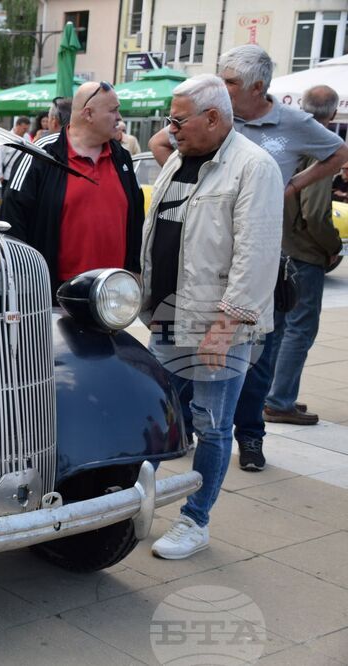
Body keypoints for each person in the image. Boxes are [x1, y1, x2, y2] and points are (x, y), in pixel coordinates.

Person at [147, 44, 348, 471]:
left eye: (231, 82)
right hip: (185, 288)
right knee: (171, 395)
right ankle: (178, 443)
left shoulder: (280, 135)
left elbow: (337, 154)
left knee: (251, 372)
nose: (223, 86)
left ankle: (250, 438)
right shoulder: (193, 139)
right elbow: (161, 147)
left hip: (253, 275)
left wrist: (291, 185)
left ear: (257, 88)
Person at [141, 75, 282, 559]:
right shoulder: (181, 159)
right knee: (154, 414)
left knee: (213, 424)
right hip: (167, 316)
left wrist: (225, 328)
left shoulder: (253, 167)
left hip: (216, 326)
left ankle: (194, 520)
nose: (170, 129)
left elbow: (256, 255)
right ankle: (128, 503)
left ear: (214, 118)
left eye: (178, 120)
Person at [1, 82, 144, 293]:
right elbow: (12, 218)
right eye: (113, 110)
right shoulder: (41, 154)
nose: (119, 118)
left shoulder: (121, 156)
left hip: (112, 294)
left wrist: (133, 269)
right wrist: (27, 283)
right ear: (88, 114)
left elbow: (135, 215)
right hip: (55, 293)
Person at [264, 86, 344, 425]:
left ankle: (269, 395)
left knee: (277, 327)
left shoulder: (290, 133)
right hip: (303, 251)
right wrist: (332, 248)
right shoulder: (322, 142)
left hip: (277, 245)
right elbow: (315, 212)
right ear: (334, 112)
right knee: (299, 328)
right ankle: (279, 400)